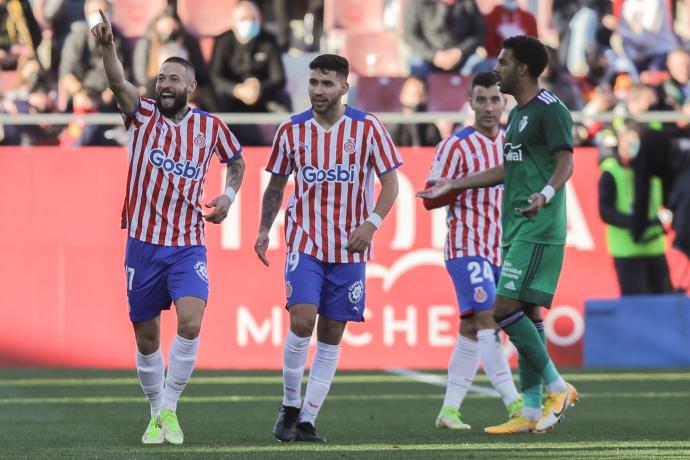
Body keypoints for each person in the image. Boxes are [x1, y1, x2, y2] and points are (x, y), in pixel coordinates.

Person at [91, 9, 246, 445]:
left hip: (186, 244)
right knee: (145, 337)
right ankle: (156, 410)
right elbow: (118, 82)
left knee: (192, 321)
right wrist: (107, 46)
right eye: (162, 78)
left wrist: (228, 197)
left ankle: (170, 408)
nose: (165, 85)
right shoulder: (140, 115)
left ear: (191, 88)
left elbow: (236, 161)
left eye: (174, 79)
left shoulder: (209, 126)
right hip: (142, 244)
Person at [418, 35, 578, 434]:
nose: (499, 68)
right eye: (482, 98)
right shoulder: (518, 118)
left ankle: (554, 388)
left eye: (504, 63)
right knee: (521, 314)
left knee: (500, 312)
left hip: (536, 230)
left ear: (521, 69)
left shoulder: (549, 109)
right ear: (471, 104)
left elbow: (567, 162)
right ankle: (529, 409)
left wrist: (545, 193)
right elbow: (506, 172)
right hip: (502, 235)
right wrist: (452, 186)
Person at [254, 54, 402, 443]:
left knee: (333, 332)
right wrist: (264, 229)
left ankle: (307, 419)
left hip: (350, 249)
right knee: (302, 321)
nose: (318, 90)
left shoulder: (368, 128)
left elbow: (391, 184)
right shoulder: (291, 130)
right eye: (314, 82)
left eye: (327, 83)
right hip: (305, 240)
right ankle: (288, 405)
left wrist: (371, 224)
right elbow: (275, 186)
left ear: (344, 88)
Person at [420, 72, 523, 430]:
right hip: (466, 247)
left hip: (500, 249)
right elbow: (431, 197)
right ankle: (515, 404)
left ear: (504, 102)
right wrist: (440, 192)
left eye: (495, 99)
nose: (489, 107)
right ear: (470, 103)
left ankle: (449, 410)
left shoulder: (512, 144)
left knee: (470, 328)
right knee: (489, 319)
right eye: (482, 100)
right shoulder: (455, 145)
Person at [598, 120, 673, 295]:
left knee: (665, 306)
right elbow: (606, 212)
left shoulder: (654, 168)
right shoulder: (611, 172)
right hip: (627, 252)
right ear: (621, 141)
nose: (633, 147)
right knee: (637, 309)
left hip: (654, 248)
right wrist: (638, 223)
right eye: (629, 142)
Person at [210, 0, 291, 145]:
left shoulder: (270, 40)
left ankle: (285, 150)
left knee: (284, 103)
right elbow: (215, 77)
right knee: (213, 101)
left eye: (253, 18)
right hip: (232, 97)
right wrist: (236, 90)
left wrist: (259, 87)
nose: (250, 23)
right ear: (234, 23)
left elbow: (279, 79)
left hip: (262, 96)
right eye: (244, 19)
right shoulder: (223, 41)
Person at [59, 0, 131, 111]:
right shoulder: (76, 38)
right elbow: (66, 75)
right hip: (81, 97)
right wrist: (81, 94)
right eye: (93, 12)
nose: (98, 16)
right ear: (86, 14)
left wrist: (109, 95)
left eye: (103, 11)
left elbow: (124, 75)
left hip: (110, 101)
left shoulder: (119, 40)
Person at [403, 0, 486, 78]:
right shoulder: (418, 3)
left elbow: (480, 33)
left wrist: (461, 51)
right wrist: (433, 55)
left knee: (480, 66)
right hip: (429, 57)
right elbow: (410, 35)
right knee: (416, 64)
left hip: (462, 57)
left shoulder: (467, 2)